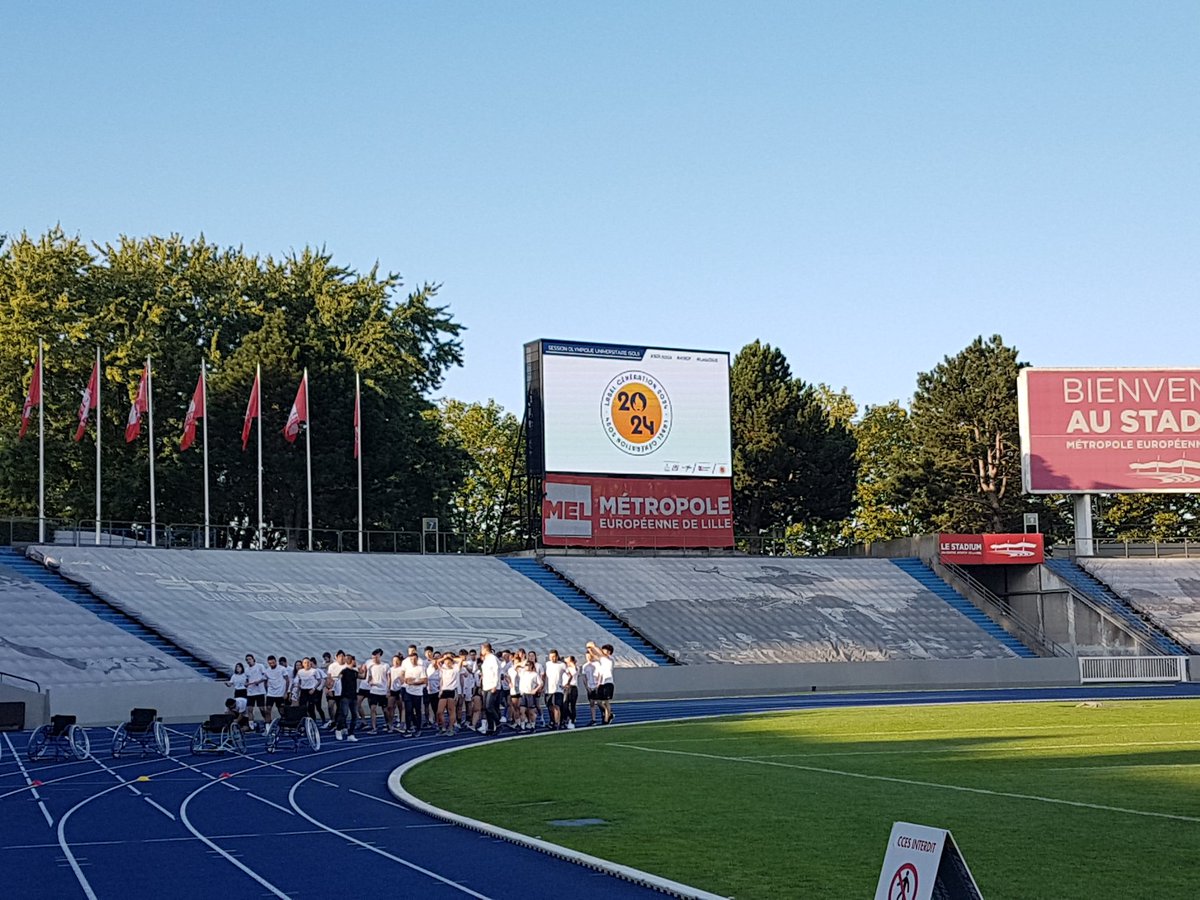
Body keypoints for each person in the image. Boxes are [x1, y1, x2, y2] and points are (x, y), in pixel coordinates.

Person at [399, 648, 427, 735]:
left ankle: (418, 728)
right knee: (408, 710)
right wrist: (405, 680)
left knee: (417, 710)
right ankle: (408, 728)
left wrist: (414, 682)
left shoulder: (421, 668)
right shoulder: (407, 668)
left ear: (417, 659)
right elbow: (405, 678)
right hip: (408, 691)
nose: (412, 661)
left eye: (414, 659)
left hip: (417, 692)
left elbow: (424, 680)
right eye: (411, 659)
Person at [336, 654, 360, 742]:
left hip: (353, 696)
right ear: (352, 661)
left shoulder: (354, 672)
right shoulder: (344, 671)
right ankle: (338, 729)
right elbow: (339, 678)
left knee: (354, 715)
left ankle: (351, 734)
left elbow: (362, 676)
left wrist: (363, 670)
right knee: (344, 714)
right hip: (345, 696)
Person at [436, 652, 461, 736]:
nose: (447, 663)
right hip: (444, 691)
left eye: (448, 662)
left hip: (452, 690)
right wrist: (444, 658)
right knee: (440, 711)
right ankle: (443, 727)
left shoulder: (455, 669)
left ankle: (450, 728)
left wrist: (451, 658)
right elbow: (437, 662)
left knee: (451, 710)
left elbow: (460, 660)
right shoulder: (443, 669)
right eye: (446, 662)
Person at [366, 648, 389, 733]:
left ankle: (388, 724)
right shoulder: (371, 667)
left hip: (383, 691)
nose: (374, 659)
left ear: (379, 656)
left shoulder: (385, 666)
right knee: (372, 708)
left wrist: (388, 690)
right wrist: (370, 682)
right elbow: (369, 677)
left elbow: (388, 678)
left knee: (385, 710)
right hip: (373, 691)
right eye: (373, 658)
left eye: (376, 657)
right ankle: (374, 727)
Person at [479, 642, 500, 735]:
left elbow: (496, 672)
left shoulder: (492, 658)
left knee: (489, 706)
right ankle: (490, 728)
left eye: (482, 649)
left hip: (492, 685)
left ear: (485, 649)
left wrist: (495, 685)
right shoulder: (486, 659)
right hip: (486, 686)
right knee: (486, 708)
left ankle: (498, 724)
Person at [543, 650, 566, 730]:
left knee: (557, 706)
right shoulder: (547, 664)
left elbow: (569, 673)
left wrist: (566, 684)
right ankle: (552, 721)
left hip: (558, 689)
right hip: (548, 689)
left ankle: (557, 723)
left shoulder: (562, 665)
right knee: (550, 707)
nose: (552, 658)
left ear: (557, 656)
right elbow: (544, 675)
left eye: (554, 656)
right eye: (551, 657)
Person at [516, 659, 541, 731]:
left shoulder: (535, 674)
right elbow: (516, 667)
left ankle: (532, 725)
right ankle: (522, 726)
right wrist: (523, 663)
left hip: (530, 694)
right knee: (521, 711)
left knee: (531, 712)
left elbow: (540, 683)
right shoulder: (522, 672)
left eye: (528, 665)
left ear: (532, 666)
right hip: (523, 693)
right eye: (526, 665)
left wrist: (535, 690)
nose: (526, 666)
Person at [244, 653, 267, 729]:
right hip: (250, 692)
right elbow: (247, 680)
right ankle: (251, 725)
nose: (248, 661)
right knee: (249, 709)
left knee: (262, 708)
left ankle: (267, 721)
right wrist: (246, 684)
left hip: (259, 691)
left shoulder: (260, 666)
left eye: (250, 659)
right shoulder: (246, 670)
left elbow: (265, 676)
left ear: (253, 659)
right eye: (247, 660)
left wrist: (259, 682)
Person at [263, 655, 288, 724]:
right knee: (268, 709)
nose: (272, 664)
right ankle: (268, 724)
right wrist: (267, 691)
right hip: (270, 693)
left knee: (281, 710)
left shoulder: (282, 669)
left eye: (273, 663)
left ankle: (285, 723)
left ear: (275, 661)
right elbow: (265, 681)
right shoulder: (267, 671)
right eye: (270, 663)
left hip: (280, 693)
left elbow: (287, 680)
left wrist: (286, 692)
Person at [596, 643, 616, 724]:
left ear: (609, 652)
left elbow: (599, 654)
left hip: (608, 682)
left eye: (605, 650)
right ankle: (609, 713)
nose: (603, 651)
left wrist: (593, 646)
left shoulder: (610, 659)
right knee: (598, 702)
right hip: (602, 683)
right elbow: (601, 673)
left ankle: (606, 719)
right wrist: (599, 682)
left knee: (606, 701)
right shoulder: (602, 661)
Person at [582, 648, 600, 726]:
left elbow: (600, 674)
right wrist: (586, 686)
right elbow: (584, 677)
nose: (588, 658)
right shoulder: (585, 666)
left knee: (599, 702)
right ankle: (593, 719)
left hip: (596, 685)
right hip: (590, 686)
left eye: (589, 656)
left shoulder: (597, 664)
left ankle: (607, 712)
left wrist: (598, 684)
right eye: (587, 656)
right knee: (592, 703)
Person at [562, 655, 579, 730]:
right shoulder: (566, 668)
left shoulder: (575, 668)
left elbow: (573, 674)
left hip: (572, 687)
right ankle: (568, 718)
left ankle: (572, 720)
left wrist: (571, 661)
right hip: (565, 688)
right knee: (564, 705)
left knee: (572, 705)